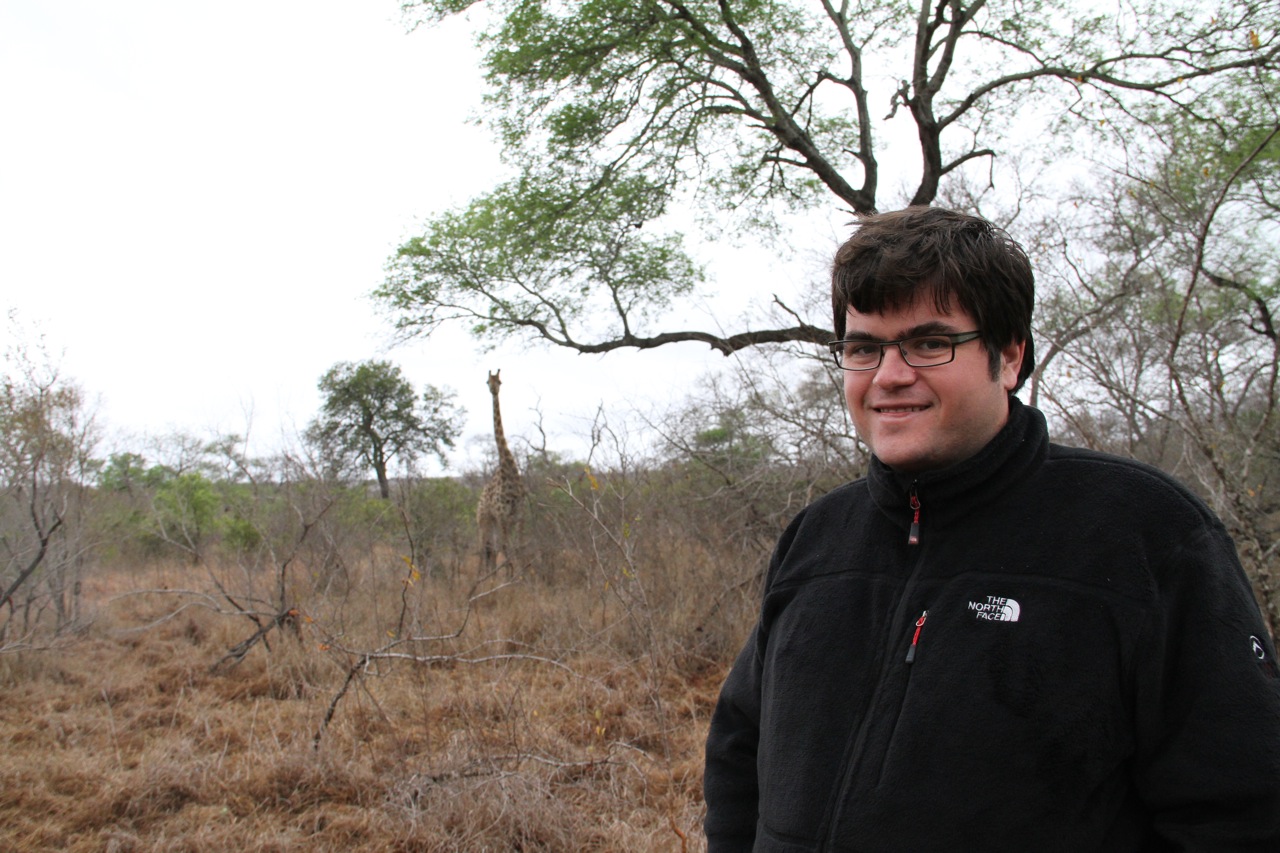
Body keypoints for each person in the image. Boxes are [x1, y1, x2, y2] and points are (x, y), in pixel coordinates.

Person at [703, 206, 1280, 852]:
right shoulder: (817, 537)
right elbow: (739, 743)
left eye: (929, 342)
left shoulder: (1145, 536)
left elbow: (1241, 812)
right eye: (864, 347)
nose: (889, 375)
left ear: (1008, 357)